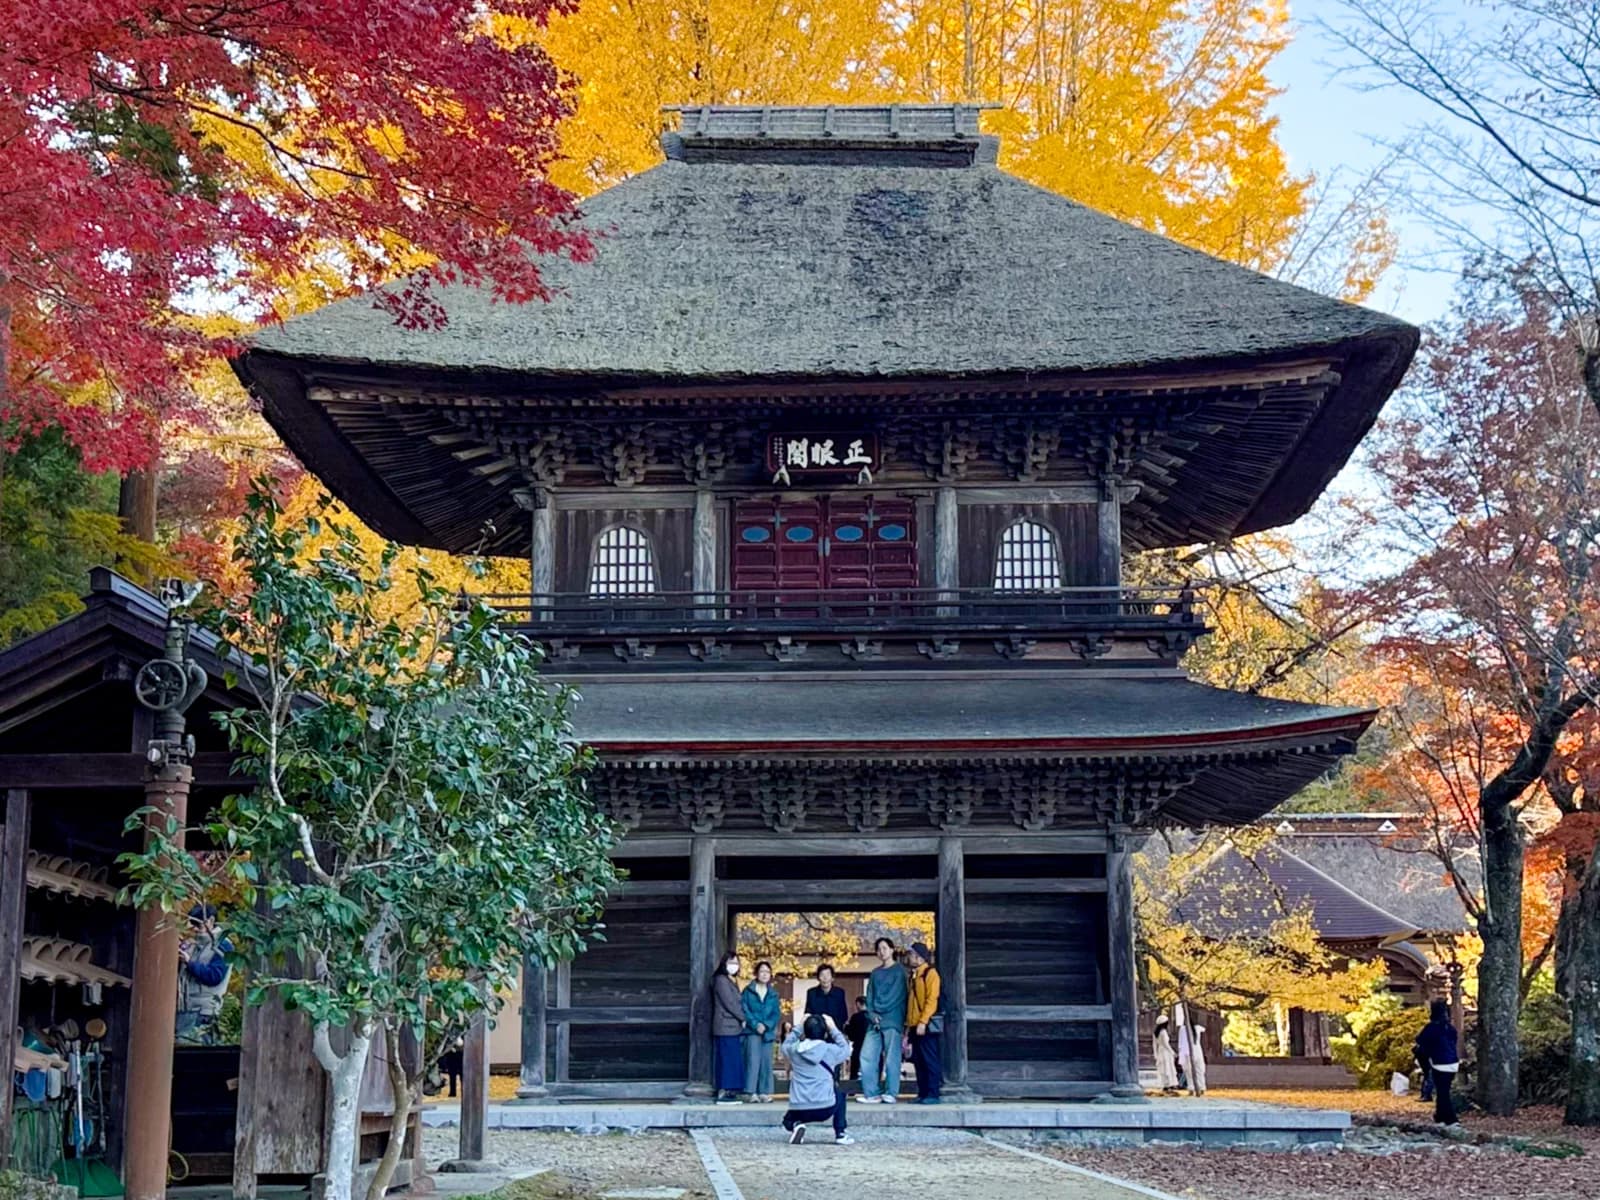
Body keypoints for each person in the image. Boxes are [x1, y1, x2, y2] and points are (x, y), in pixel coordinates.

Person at [779, 1013, 854, 1145]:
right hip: (825, 1107)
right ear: (825, 1034)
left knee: (787, 1121)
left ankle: (796, 1125)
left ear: (805, 1032)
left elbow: (785, 1044)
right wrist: (833, 1028)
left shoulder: (795, 1051)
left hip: (799, 1107)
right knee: (840, 1094)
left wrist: (799, 1027)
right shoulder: (830, 1050)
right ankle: (840, 1133)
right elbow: (846, 1049)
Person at [857, 936, 908, 1104]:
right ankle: (872, 1092)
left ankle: (891, 1092)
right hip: (875, 1020)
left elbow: (899, 996)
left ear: (892, 950)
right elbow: (870, 995)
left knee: (892, 1057)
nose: (882, 952)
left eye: (885, 948)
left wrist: (881, 1012)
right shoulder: (875, 973)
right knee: (867, 1055)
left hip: (892, 1018)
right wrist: (871, 1013)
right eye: (879, 949)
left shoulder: (900, 971)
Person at [176, 905, 233, 1045]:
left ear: (211, 921)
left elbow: (214, 976)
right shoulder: (195, 945)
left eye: (197, 924)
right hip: (185, 1010)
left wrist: (190, 963)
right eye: (192, 924)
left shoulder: (223, 945)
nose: (194, 928)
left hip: (204, 1013)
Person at [1413, 999, 1460, 1125]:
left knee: (1442, 1092)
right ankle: (1440, 1115)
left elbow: (1420, 1041)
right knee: (1443, 1090)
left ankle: (1450, 1118)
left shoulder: (1431, 1028)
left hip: (1440, 1062)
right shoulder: (1450, 1028)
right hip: (1453, 1062)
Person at [905, 941, 942, 1104]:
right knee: (918, 1061)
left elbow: (931, 1000)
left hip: (924, 1025)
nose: (909, 958)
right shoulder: (914, 975)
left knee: (929, 1059)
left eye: (912, 955)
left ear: (919, 957)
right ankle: (923, 1092)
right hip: (914, 1024)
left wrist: (923, 1021)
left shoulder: (930, 974)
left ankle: (933, 1094)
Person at [741, 960, 780, 1102]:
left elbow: (776, 1013)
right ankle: (750, 1091)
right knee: (752, 1061)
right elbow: (744, 1009)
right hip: (752, 1031)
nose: (765, 974)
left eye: (767, 972)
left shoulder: (773, 994)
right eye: (762, 971)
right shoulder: (748, 991)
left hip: (767, 1032)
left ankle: (764, 1092)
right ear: (756, 973)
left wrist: (766, 1025)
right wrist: (755, 1024)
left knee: (766, 1062)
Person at [804, 963, 850, 1079]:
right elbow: (808, 1013)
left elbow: (843, 1014)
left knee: (834, 1063)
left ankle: (834, 1083)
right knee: (817, 1063)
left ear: (832, 978)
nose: (825, 978)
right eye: (822, 975)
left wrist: (834, 1030)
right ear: (818, 978)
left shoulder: (839, 993)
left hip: (833, 1032)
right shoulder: (811, 993)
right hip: (816, 1034)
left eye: (828, 975)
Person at [712, 953, 745, 1104]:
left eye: (736, 963)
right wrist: (743, 1018)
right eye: (731, 962)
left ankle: (731, 1090)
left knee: (732, 1059)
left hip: (732, 1026)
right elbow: (729, 1003)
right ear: (724, 963)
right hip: (725, 1025)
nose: (734, 965)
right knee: (727, 1060)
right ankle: (724, 1090)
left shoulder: (731, 980)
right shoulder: (721, 980)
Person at [1152, 1013, 1180, 1095]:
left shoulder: (1155, 1033)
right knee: (1168, 1067)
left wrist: (1155, 1053)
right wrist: (1173, 1052)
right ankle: (1169, 1084)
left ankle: (1165, 1084)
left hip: (1160, 1051)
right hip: (1165, 1052)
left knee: (1163, 1068)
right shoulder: (1163, 1032)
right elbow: (1166, 1044)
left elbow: (1154, 1044)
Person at [844, 997, 870, 1081]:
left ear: (858, 1004)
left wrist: (846, 1027)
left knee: (854, 1071)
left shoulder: (856, 1017)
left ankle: (853, 1086)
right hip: (871, 1048)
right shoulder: (872, 1017)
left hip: (858, 1047)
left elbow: (851, 1035)